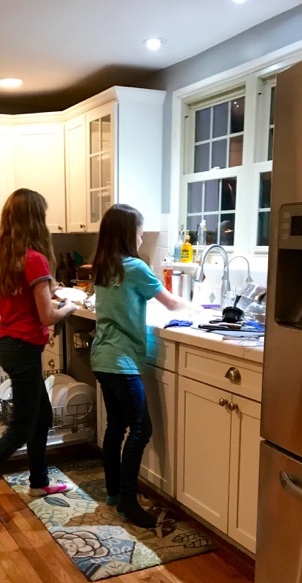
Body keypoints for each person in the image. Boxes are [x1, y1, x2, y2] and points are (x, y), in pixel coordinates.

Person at [0, 188, 77, 530]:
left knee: (42, 415)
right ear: (36, 219)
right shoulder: (34, 259)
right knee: (21, 427)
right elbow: (47, 316)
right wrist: (69, 305)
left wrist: (51, 290)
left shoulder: (3, 258)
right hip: (23, 349)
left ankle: (39, 482)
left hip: (9, 344)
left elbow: (22, 301)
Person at [90, 203, 204, 528]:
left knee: (116, 426)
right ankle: (129, 502)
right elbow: (170, 302)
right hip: (121, 361)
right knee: (141, 429)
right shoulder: (135, 267)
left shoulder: (103, 266)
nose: (141, 238)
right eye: (139, 232)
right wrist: (197, 309)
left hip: (101, 357)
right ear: (129, 235)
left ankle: (114, 493)